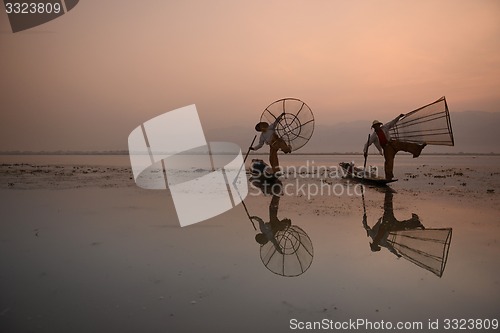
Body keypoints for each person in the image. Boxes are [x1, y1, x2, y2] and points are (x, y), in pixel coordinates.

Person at [364, 114, 426, 180]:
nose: (377, 127)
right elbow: (367, 144)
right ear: (374, 127)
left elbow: (392, 122)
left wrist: (399, 117)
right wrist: (365, 152)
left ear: (379, 125)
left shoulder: (385, 127)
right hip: (387, 149)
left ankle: (418, 149)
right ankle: (388, 177)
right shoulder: (374, 136)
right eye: (376, 126)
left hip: (392, 143)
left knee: (404, 145)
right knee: (389, 162)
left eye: (378, 125)